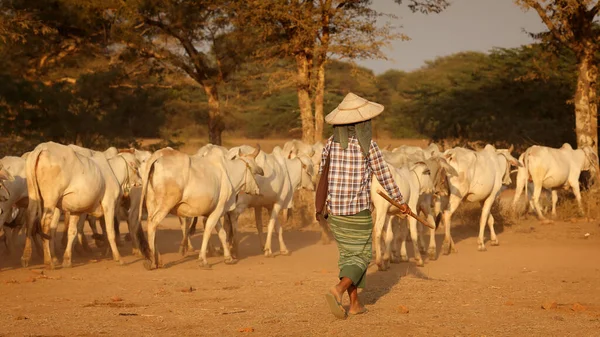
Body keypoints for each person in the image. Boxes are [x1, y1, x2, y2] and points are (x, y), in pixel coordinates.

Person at [318, 92, 410, 319]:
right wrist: (401, 202)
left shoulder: (330, 144)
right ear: (362, 123)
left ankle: (355, 304)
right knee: (362, 257)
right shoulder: (368, 145)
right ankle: (337, 290)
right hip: (357, 211)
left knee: (348, 257)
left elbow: (322, 174)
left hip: (334, 212)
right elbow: (385, 176)